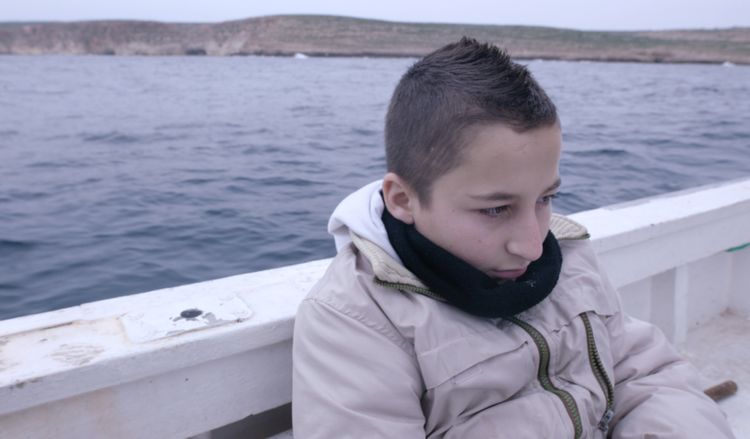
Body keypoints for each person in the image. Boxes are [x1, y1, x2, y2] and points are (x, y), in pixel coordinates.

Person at [292, 37, 734, 438]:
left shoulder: (568, 256)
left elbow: (646, 374)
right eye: (495, 209)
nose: (533, 245)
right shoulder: (358, 320)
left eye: (546, 198)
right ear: (403, 199)